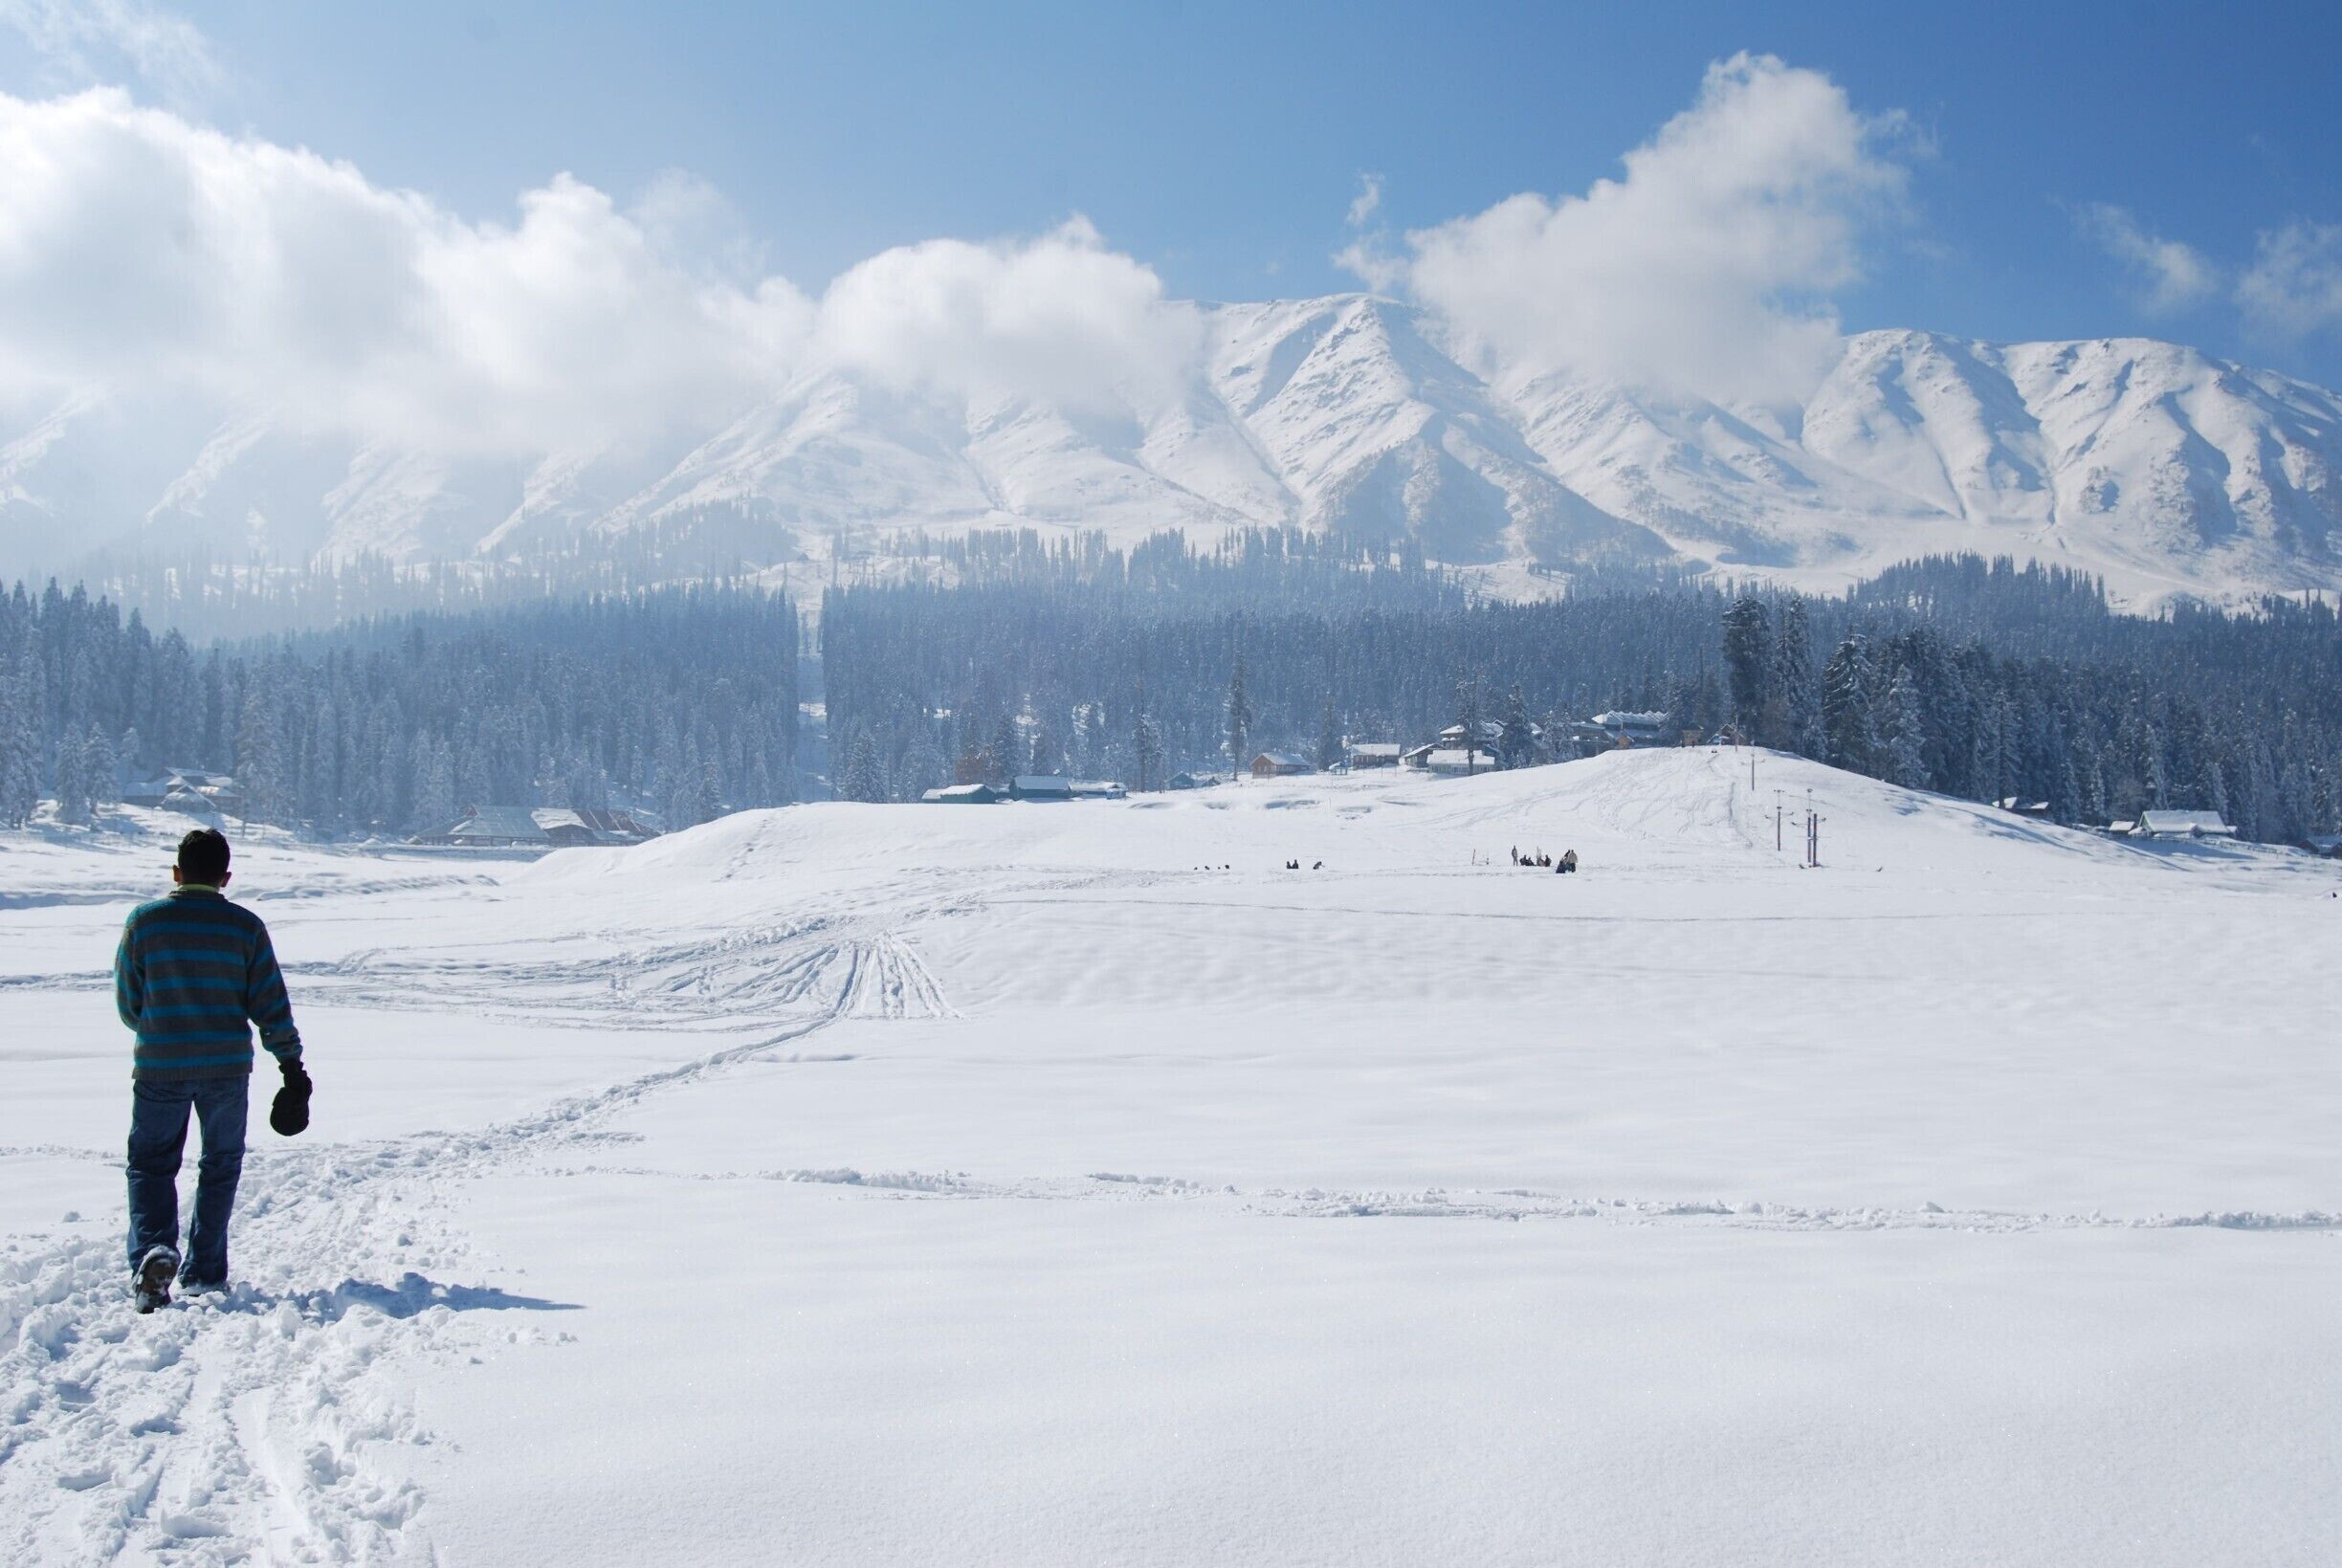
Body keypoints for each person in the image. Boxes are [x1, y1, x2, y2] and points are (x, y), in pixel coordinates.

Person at [115, 828, 309, 1312]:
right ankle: (204, 1270)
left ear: (176, 873)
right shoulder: (245, 928)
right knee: (220, 1165)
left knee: (151, 1164)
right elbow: (270, 1005)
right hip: (226, 1070)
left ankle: (154, 1253)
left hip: (160, 1065)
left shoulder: (144, 923)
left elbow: (129, 1003)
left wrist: (162, 1027)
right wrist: (291, 1065)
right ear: (225, 877)